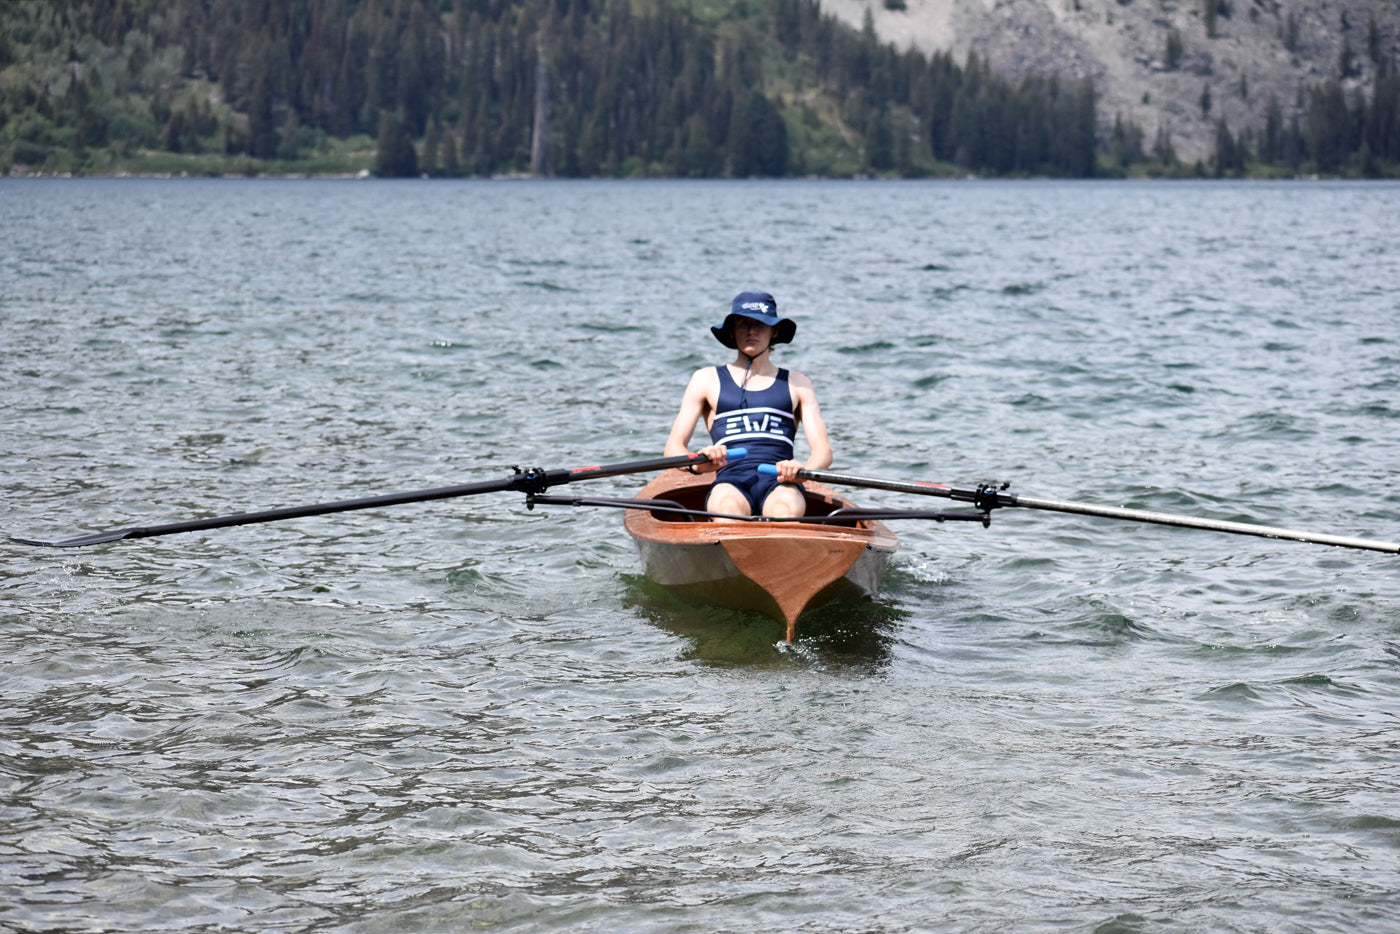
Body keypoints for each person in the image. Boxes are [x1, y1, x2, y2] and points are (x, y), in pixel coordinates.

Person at [663, 291, 832, 520]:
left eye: (760, 324)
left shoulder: (798, 383)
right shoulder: (705, 379)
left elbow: (823, 452)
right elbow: (673, 449)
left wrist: (802, 473)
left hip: (781, 481)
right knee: (726, 508)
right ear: (732, 331)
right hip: (730, 480)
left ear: (775, 331)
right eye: (743, 324)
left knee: (785, 511)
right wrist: (699, 465)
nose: (752, 332)